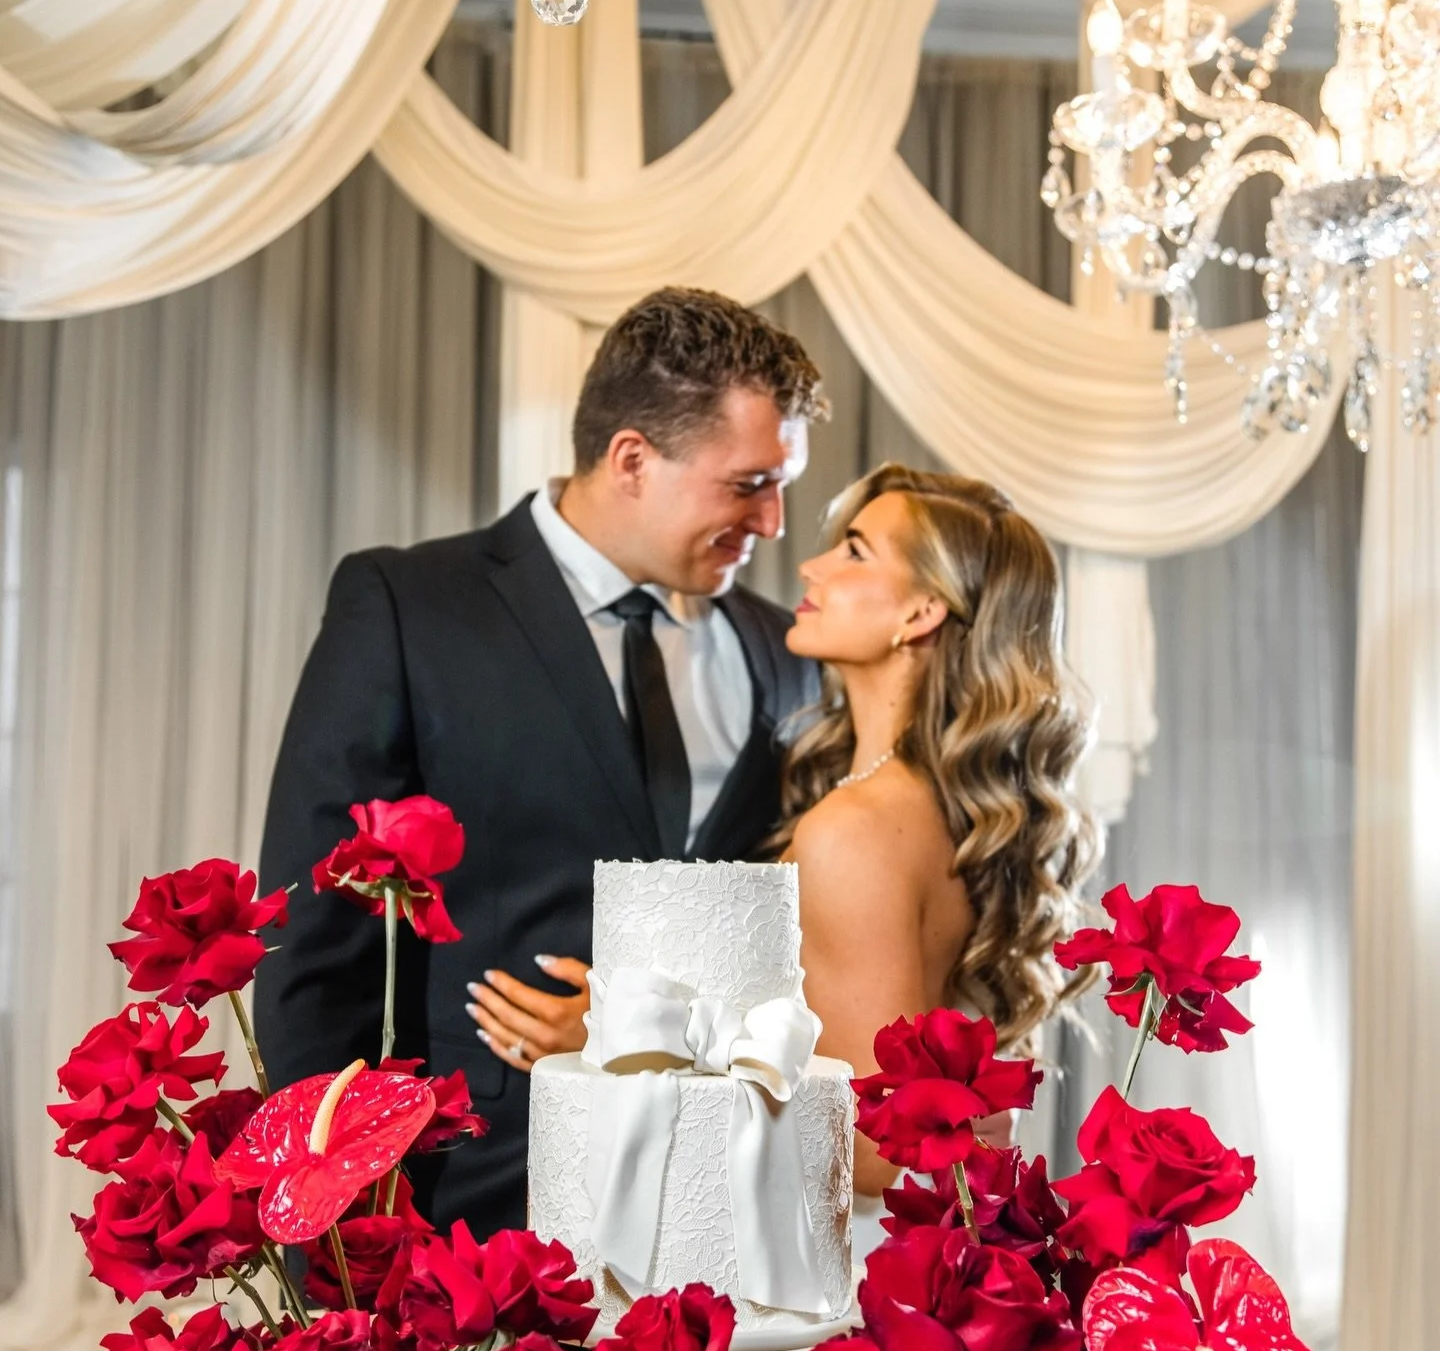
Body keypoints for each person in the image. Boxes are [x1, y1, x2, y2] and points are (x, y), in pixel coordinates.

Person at [254, 288, 827, 1236]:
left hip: (714, 1200)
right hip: (467, 1202)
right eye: (747, 484)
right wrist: (333, 1209)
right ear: (633, 459)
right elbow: (318, 934)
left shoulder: (782, 649)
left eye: (782, 487)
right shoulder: (409, 606)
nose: (772, 522)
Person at [776, 464, 1098, 1238]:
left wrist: (649, 1047)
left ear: (923, 610)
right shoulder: (943, 810)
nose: (812, 568)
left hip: (835, 1258)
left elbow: (881, 1148)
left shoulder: (852, 828)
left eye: (853, 552)